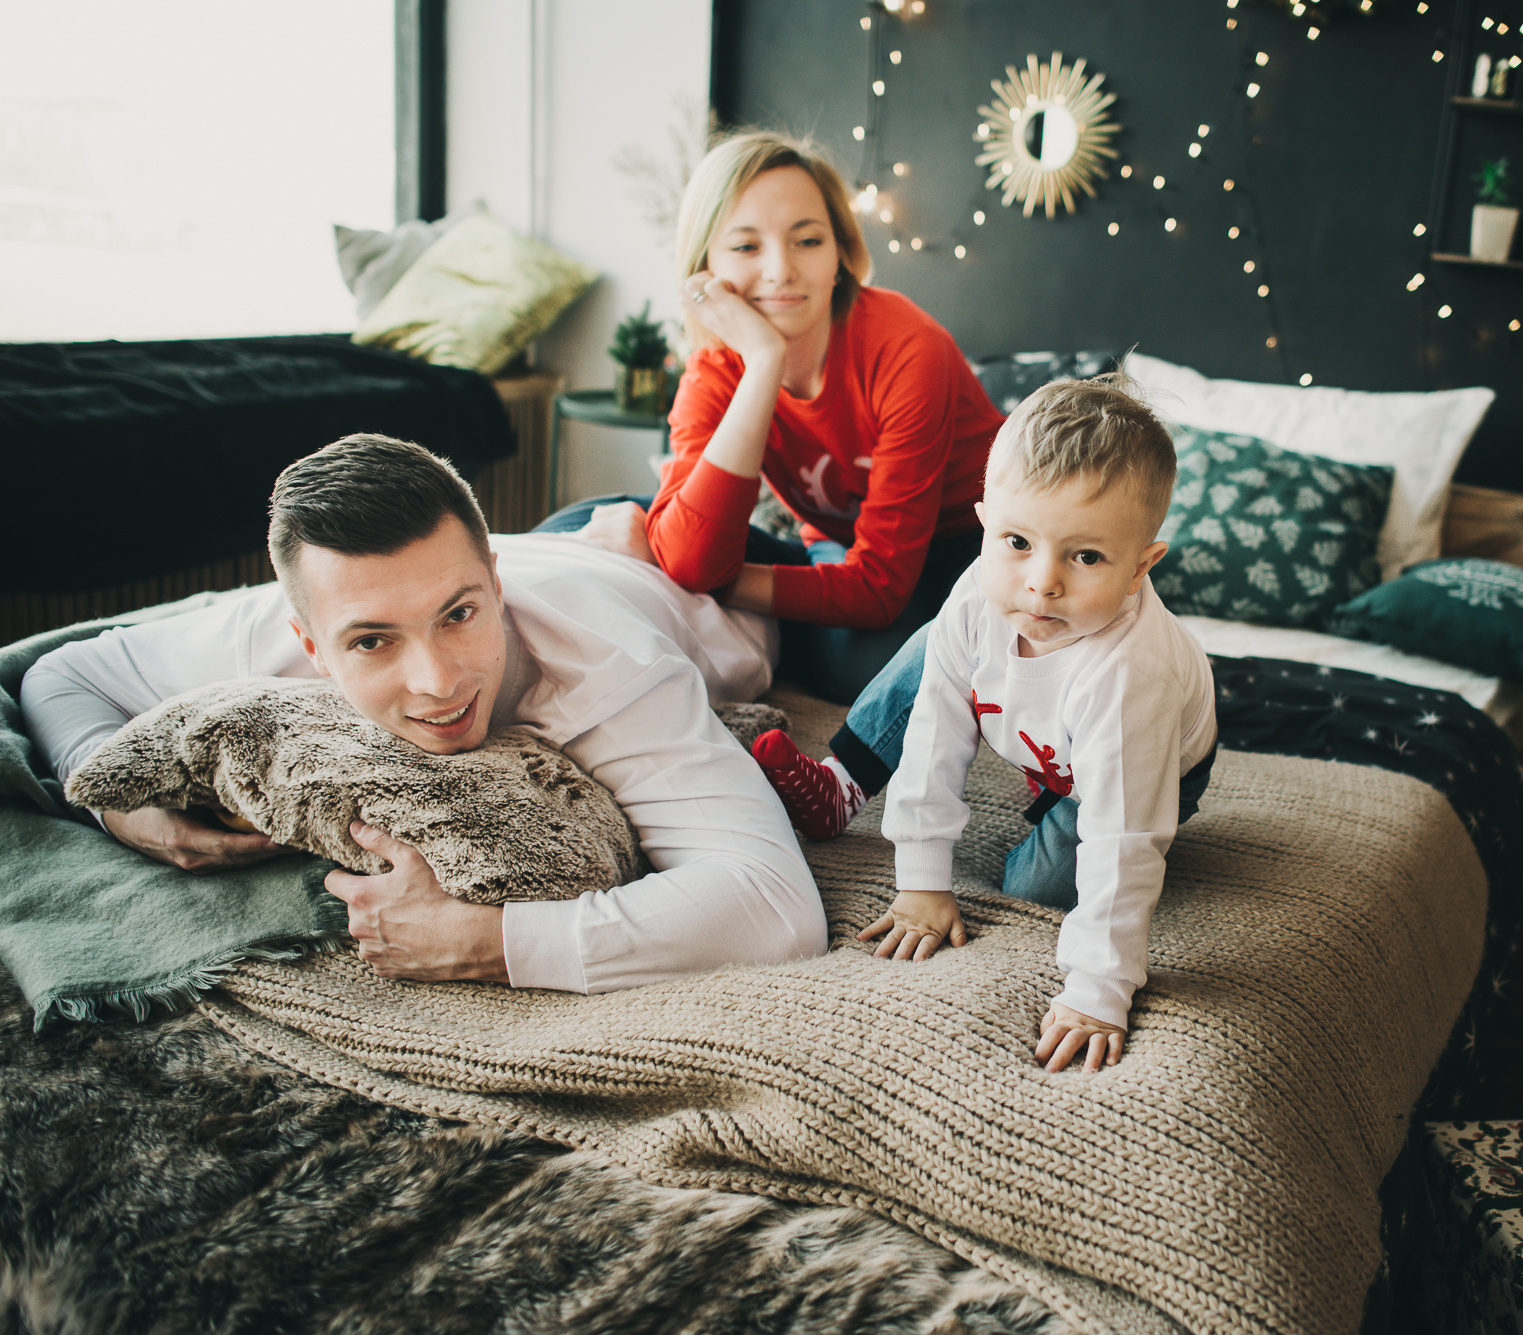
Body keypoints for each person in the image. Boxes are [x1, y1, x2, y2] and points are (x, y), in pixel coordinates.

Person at [21, 434, 825, 992]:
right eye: (372, 641)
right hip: (564, 539)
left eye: (459, 615)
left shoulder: (616, 671)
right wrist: (118, 805)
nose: (437, 682)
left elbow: (775, 909)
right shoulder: (267, 632)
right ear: (310, 645)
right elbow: (62, 673)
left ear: (495, 586)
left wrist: (487, 943)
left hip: (711, 573)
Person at [753, 376, 1218, 1074]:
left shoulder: (1131, 677)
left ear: (1140, 568)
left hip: (1145, 766)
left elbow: (1123, 838)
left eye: (1086, 556)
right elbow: (935, 735)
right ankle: (843, 783)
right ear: (984, 523)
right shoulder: (980, 593)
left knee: (1036, 891)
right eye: (1018, 540)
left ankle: (1053, 806)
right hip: (1040, 732)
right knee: (934, 648)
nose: (1042, 582)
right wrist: (921, 881)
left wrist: (1099, 991)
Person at [549, 130, 1005, 704]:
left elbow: (880, 588)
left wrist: (712, 579)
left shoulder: (910, 349)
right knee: (587, 522)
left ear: (840, 254)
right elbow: (690, 555)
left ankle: (767, 624)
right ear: (705, 267)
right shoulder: (714, 370)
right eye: (745, 247)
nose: (780, 269)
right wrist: (764, 363)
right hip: (839, 545)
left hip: (969, 547)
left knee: (863, 670)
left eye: (807, 241)